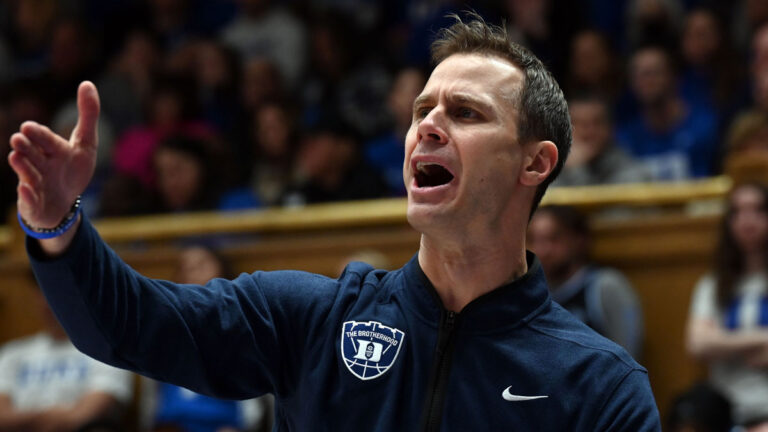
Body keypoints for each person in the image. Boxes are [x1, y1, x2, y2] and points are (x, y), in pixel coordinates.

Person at [7, 14, 660, 430]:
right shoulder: (315, 317)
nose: (426, 125)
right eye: (420, 110)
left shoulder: (596, 384)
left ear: (534, 163)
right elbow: (128, 327)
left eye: (465, 113)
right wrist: (56, 222)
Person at [0, 277, 132, 432]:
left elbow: (89, 414)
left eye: (61, 291)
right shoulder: (13, 353)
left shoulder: (106, 351)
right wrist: (49, 416)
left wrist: (28, 421)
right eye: (45, 292)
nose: (53, 300)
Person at [686, 183, 768, 428]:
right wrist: (762, 339)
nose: (747, 220)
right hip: (723, 408)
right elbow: (698, 344)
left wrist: (724, 342)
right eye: (738, 212)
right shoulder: (712, 284)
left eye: (758, 210)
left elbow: (712, 342)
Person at [527, 205, 644, 358]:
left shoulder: (605, 286)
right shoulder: (529, 292)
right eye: (534, 240)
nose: (542, 250)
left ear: (579, 240)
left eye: (553, 239)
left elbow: (629, 357)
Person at [553, 94, 650, 187]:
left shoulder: (631, 171)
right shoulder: (551, 170)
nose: (588, 133)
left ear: (611, 128)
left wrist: (577, 169)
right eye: (579, 124)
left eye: (596, 123)